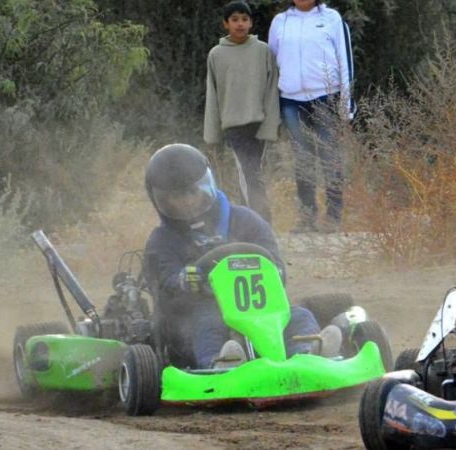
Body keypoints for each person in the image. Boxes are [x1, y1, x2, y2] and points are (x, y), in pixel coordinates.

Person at [143, 143, 341, 369]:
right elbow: (162, 282)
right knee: (209, 323)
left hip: (261, 308)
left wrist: (273, 270)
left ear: (207, 184)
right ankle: (221, 364)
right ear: (162, 201)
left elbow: (276, 265)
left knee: (298, 316)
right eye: (178, 196)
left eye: (192, 191)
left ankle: (308, 355)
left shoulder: (245, 220)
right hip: (198, 314)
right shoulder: (163, 240)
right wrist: (184, 280)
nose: (188, 200)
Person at [268, 0, 355, 233]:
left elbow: (345, 62)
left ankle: (333, 218)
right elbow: (272, 65)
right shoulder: (280, 22)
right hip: (291, 101)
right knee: (302, 160)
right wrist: (272, 107)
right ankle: (307, 218)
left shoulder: (332, 19)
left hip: (325, 98)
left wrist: (346, 105)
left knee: (330, 158)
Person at [204, 1, 280, 223]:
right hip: (233, 125)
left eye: (244, 19)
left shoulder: (263, 51)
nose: (240, 24)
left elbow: (272, 90)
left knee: (251, 173)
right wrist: (213, 133)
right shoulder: (216, 54)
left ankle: (255, 221)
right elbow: (213, 94)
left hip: (259, 122)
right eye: (235, 19)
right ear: (226, 23)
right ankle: (259, 220)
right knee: (246, 172)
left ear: (251, 22)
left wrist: (271, 124)